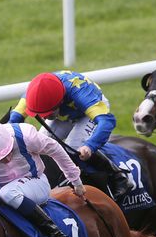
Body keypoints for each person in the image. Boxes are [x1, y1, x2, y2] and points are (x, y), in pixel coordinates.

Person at [9, 71, 132, 199]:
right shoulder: (32, 95)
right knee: (40, 144)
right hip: (65, 113)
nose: (45, 118)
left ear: (60, 101)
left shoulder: (80, 93)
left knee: (73, 146)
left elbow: (107, 121)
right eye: (42, 115)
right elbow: (12, 121)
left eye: (48, 114)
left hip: (88, 111)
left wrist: (90, 146)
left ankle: (117, 175)